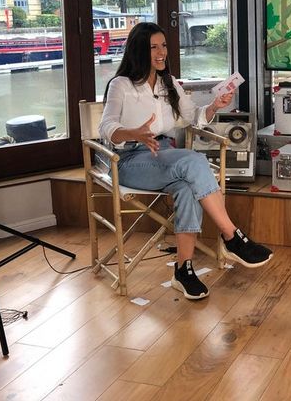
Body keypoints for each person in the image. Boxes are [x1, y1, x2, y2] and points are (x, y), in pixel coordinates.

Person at [99, 22, 273, 301]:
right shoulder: (121, 85)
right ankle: (232, 237)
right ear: (138, 51)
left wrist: (216, 106)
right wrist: (134, 133)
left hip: (164, 155)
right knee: (193, 162)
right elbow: (106, 127)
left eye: (164, 46)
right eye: (153, 47)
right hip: (129, 159)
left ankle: (183, 270)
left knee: (187, 188)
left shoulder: (170, 84)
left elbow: (193, 117)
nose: (161, 53)